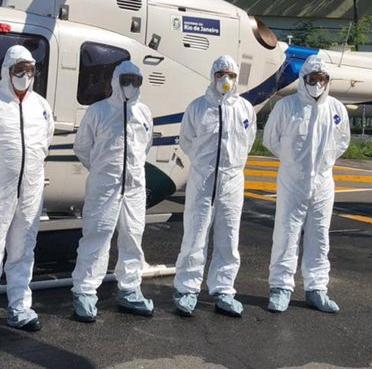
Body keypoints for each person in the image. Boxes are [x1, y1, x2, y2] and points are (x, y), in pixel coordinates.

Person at [0, 45, 55, 338]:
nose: (24, 75)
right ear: (7, 71)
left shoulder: (41, 106)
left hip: (30, 188)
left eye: (29, 70)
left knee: (23, 248)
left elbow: (45, 142)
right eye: (19, 69)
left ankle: (20, 308)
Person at [263, 54, 350, 314]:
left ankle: (316, 289)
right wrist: (293, 162)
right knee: (286, 234)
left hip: (323, 182)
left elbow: (342, 141)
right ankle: (280, 287)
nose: (317, 83)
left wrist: (324, 163)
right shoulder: (287, 107)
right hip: (293, 181)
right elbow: (270, 139)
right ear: (304, 79)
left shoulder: (335, 109)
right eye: (313, 78)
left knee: (320, 236)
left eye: (322, 79)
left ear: (328, 81)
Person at [70, 61, 154, 322]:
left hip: (135, 187)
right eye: (126, 79)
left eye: (136, 81)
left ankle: (130, 289)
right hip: (104, 186)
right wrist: (102, 172)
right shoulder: (98, 111)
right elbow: (82, 147)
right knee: (97, 235)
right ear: (116, 80)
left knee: (132, 236)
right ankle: (84, 290)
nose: (131, 85)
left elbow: (145, 147)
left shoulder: (144, 113)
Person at [173, 55, 256, 318]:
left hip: (232, 180)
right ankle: (187, 289)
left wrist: (231, 167)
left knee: (229, 237)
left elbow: (248, 142)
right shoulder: (198, 108)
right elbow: (186, 140)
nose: (226, 79)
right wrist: (203, 164)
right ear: (213, 76)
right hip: (203, 179)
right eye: (221, 74)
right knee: (195, 234)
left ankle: (223, 289)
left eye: (230, 74)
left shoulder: (245, 109)